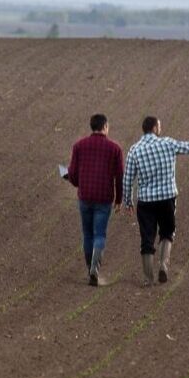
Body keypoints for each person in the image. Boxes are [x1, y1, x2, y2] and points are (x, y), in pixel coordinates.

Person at [123, 116, 189, 286]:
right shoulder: (168, 143)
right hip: (167, 199)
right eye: (159, 125)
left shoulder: (134, 150)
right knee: (167, 232)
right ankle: (164, 266)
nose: (161, 127)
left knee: (147, 238)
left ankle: (147, 278)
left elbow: (127, 179)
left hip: (146, 202)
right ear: (154, 128)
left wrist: (127, 201)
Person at [67, 114, 124, 286]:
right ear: (105, 127)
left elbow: (73, 174)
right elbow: (119, 177)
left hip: (85, 197)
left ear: (92, 127)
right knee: (100, 234)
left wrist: (78, 183)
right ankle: (95, 269)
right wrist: (119, 199)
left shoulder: (79, 146)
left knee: (87, 235)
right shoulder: (115, 149)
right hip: (104, 198)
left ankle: (89, 268)